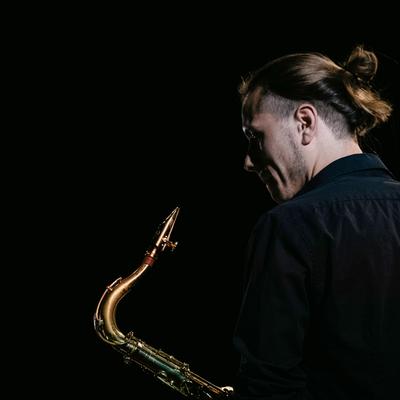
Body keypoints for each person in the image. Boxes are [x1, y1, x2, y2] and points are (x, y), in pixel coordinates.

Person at [231, 45, 400, 399]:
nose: (248, 162)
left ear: (305, 122)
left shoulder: (288, 226)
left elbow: (268, 388)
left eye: (255, 136)